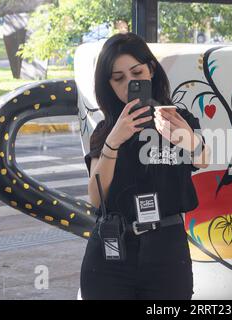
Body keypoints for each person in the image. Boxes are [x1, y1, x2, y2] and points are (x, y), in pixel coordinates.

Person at [80, 32, 209, 300]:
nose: (130, 83)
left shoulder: (177, 118)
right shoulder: (106, 131)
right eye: (119, 78)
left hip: (167, 250)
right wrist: (113, 142)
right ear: (110, 86)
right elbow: (95, 197)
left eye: (137, 72)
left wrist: (184, 137)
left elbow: (202, 159)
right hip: (111, 251)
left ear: (151, 70)